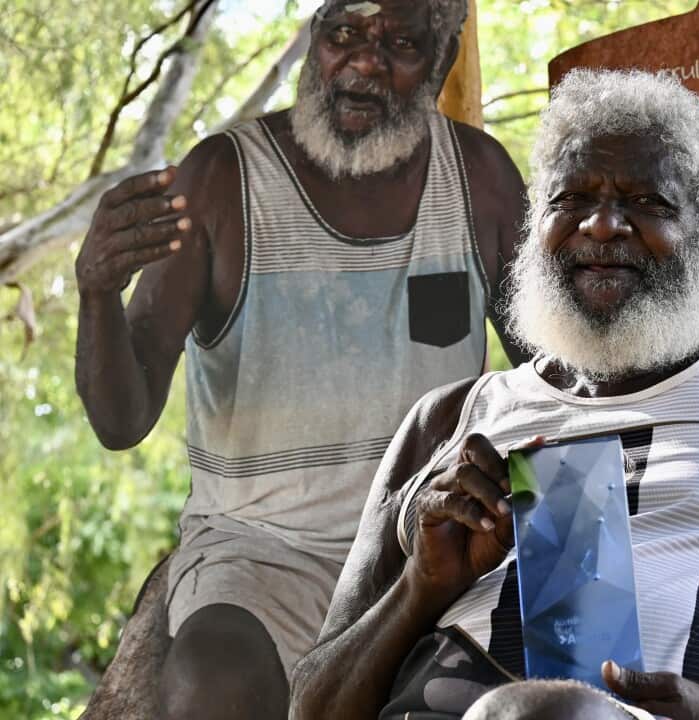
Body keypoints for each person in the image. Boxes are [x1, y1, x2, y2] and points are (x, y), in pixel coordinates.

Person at [290, 68, 699, 720]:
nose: (602, 226)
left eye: (646, 202)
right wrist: (420, 587)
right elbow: (312, 707)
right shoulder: (452, 420)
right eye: (571, 200)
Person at [73, 1, 528, 718]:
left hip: (428, 541)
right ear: (313, 43)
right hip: (258, 555)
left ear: (441, 63)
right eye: (343, 32)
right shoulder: (221, 181)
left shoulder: (481, 181)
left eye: (401, 43)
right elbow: (121, 421)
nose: (365, 61)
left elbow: (556, 379)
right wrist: (96, 292)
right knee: (211, 687)